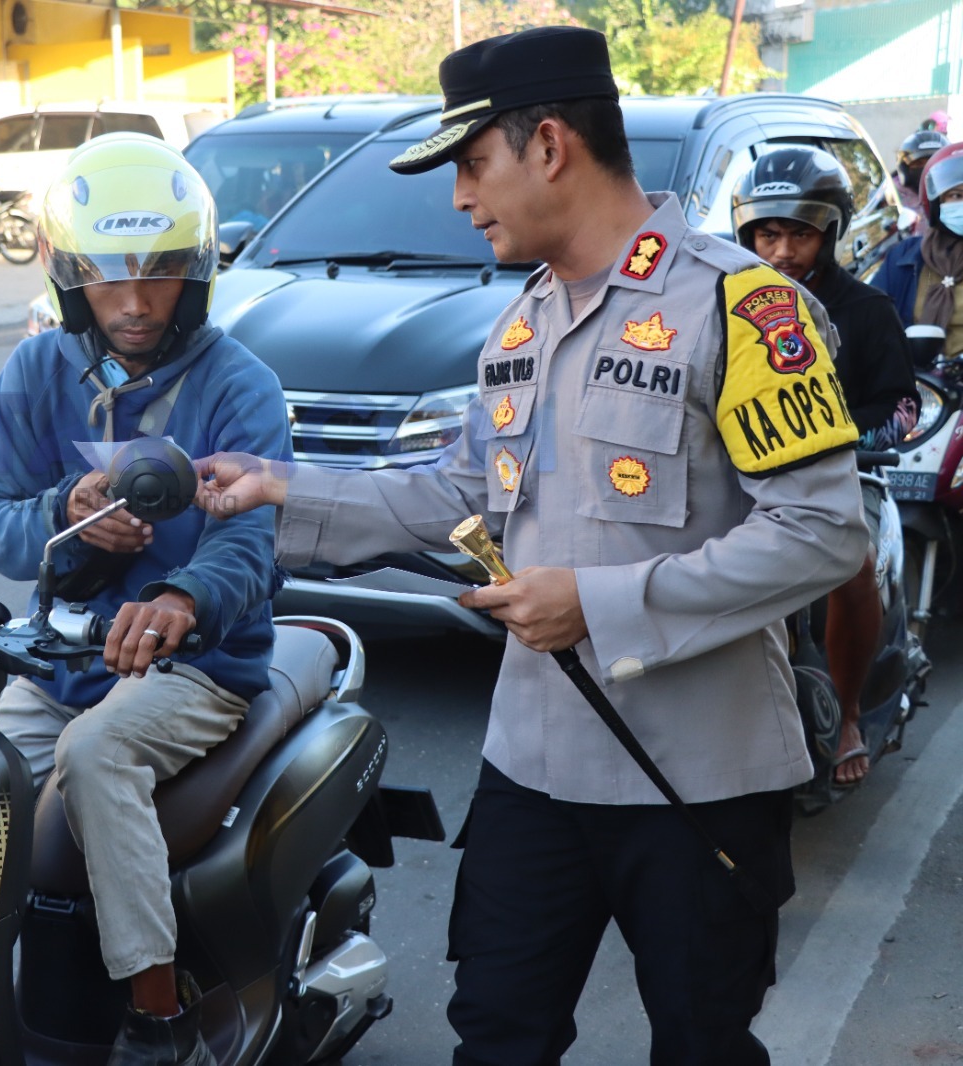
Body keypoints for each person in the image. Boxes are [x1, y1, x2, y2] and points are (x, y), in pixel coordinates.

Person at [196, 27, 867, 1064]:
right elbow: (461, 491)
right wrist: (276, 491)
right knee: (497, 1035)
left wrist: (596, 604)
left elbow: (822, 532)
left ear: (547, 144)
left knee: (701, 1040)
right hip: (533, 767)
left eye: (472, 165)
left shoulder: (739, 304)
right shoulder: (523, 324)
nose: (460, 198)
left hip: (697, 775)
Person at [0, 134, 291, 1066]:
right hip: (64, 657)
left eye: (160, 279)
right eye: (110, 281)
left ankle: (159, 1016)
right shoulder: (37, 371)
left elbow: (250, 540)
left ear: (198, 278)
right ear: (73, 281)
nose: (136, 303)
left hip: (197, 662)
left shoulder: (241, 386)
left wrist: (185, 596)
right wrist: (61, 517)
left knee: (99, 750)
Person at [732, 147, 919, 789]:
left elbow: (901, 403)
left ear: (831, 233)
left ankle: (844, 717)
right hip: (745, 481)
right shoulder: (721, 311)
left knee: (850, 562)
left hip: (846, 474)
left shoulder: (868, 311)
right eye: (767, 233)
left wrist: (840, 439)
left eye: (800, 234)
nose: (782, 251)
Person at [875, 142, 963, 356]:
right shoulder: (903, 257)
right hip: (920, 383)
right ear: (934, 202)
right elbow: (871, 322)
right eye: (956, 195)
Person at [896, 128, 948, 232]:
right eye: (919, 163)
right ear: (905, 169)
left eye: (935, 162)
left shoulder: (956, 195)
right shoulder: (895, 198)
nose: (927, 169)